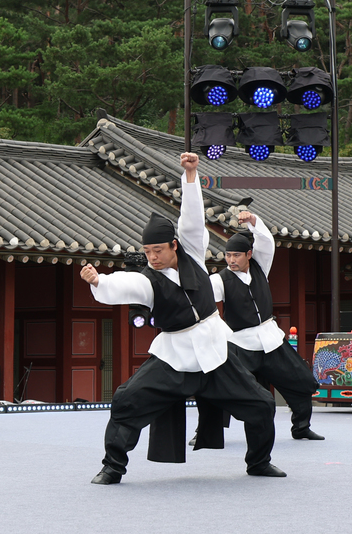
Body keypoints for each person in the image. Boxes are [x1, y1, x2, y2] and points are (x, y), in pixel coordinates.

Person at [80, 152, 283, 484]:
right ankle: (113, 466)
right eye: (147, 252)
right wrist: (99, 282)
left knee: (262, 404)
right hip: (174, 357)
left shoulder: (194, 255)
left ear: (174, 245)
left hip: (215, 353)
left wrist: (190, 176)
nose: (153, 257)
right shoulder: (149, 280)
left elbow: (191, 219)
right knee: (126, 400)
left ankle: (259, 462)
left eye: (158, 250)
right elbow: (125, 285)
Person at [206, 210, 323, 441]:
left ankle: (301, 427)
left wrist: (253, 221)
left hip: (270, 338)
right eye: (228, 255)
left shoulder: (260, 267)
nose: (231, 260)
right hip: (240, 343)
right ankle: (208, 431)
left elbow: (267, 242)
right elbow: (203, 299)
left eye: (236, 255)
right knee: (223, 383)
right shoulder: (220, 279)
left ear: (249, 254)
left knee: (300, 379)